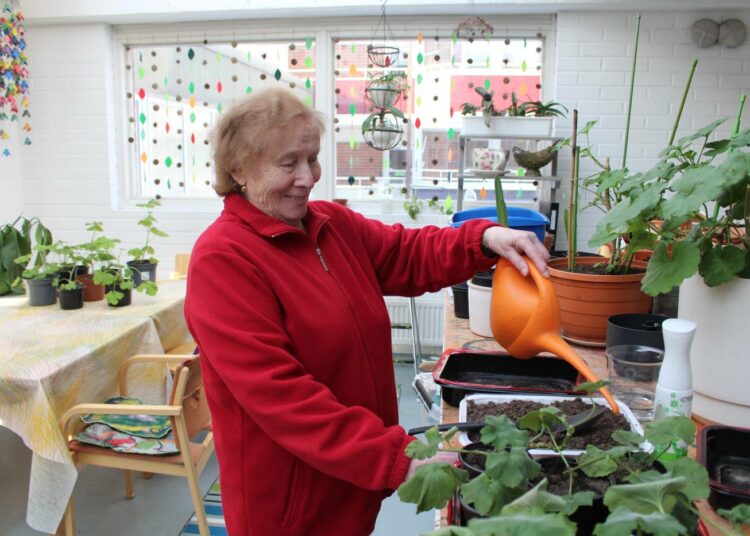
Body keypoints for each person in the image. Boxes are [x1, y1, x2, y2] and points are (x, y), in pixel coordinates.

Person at [184, 87, 550, 536]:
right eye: (288, 163)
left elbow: (406, 252)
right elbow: (283, 399)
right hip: (290, 505)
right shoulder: (223, 260)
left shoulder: (330, 226)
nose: (307, 177)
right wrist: (394, 457)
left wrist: (482, 239)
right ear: (238, 169)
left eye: (312, 158)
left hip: (349, 480)